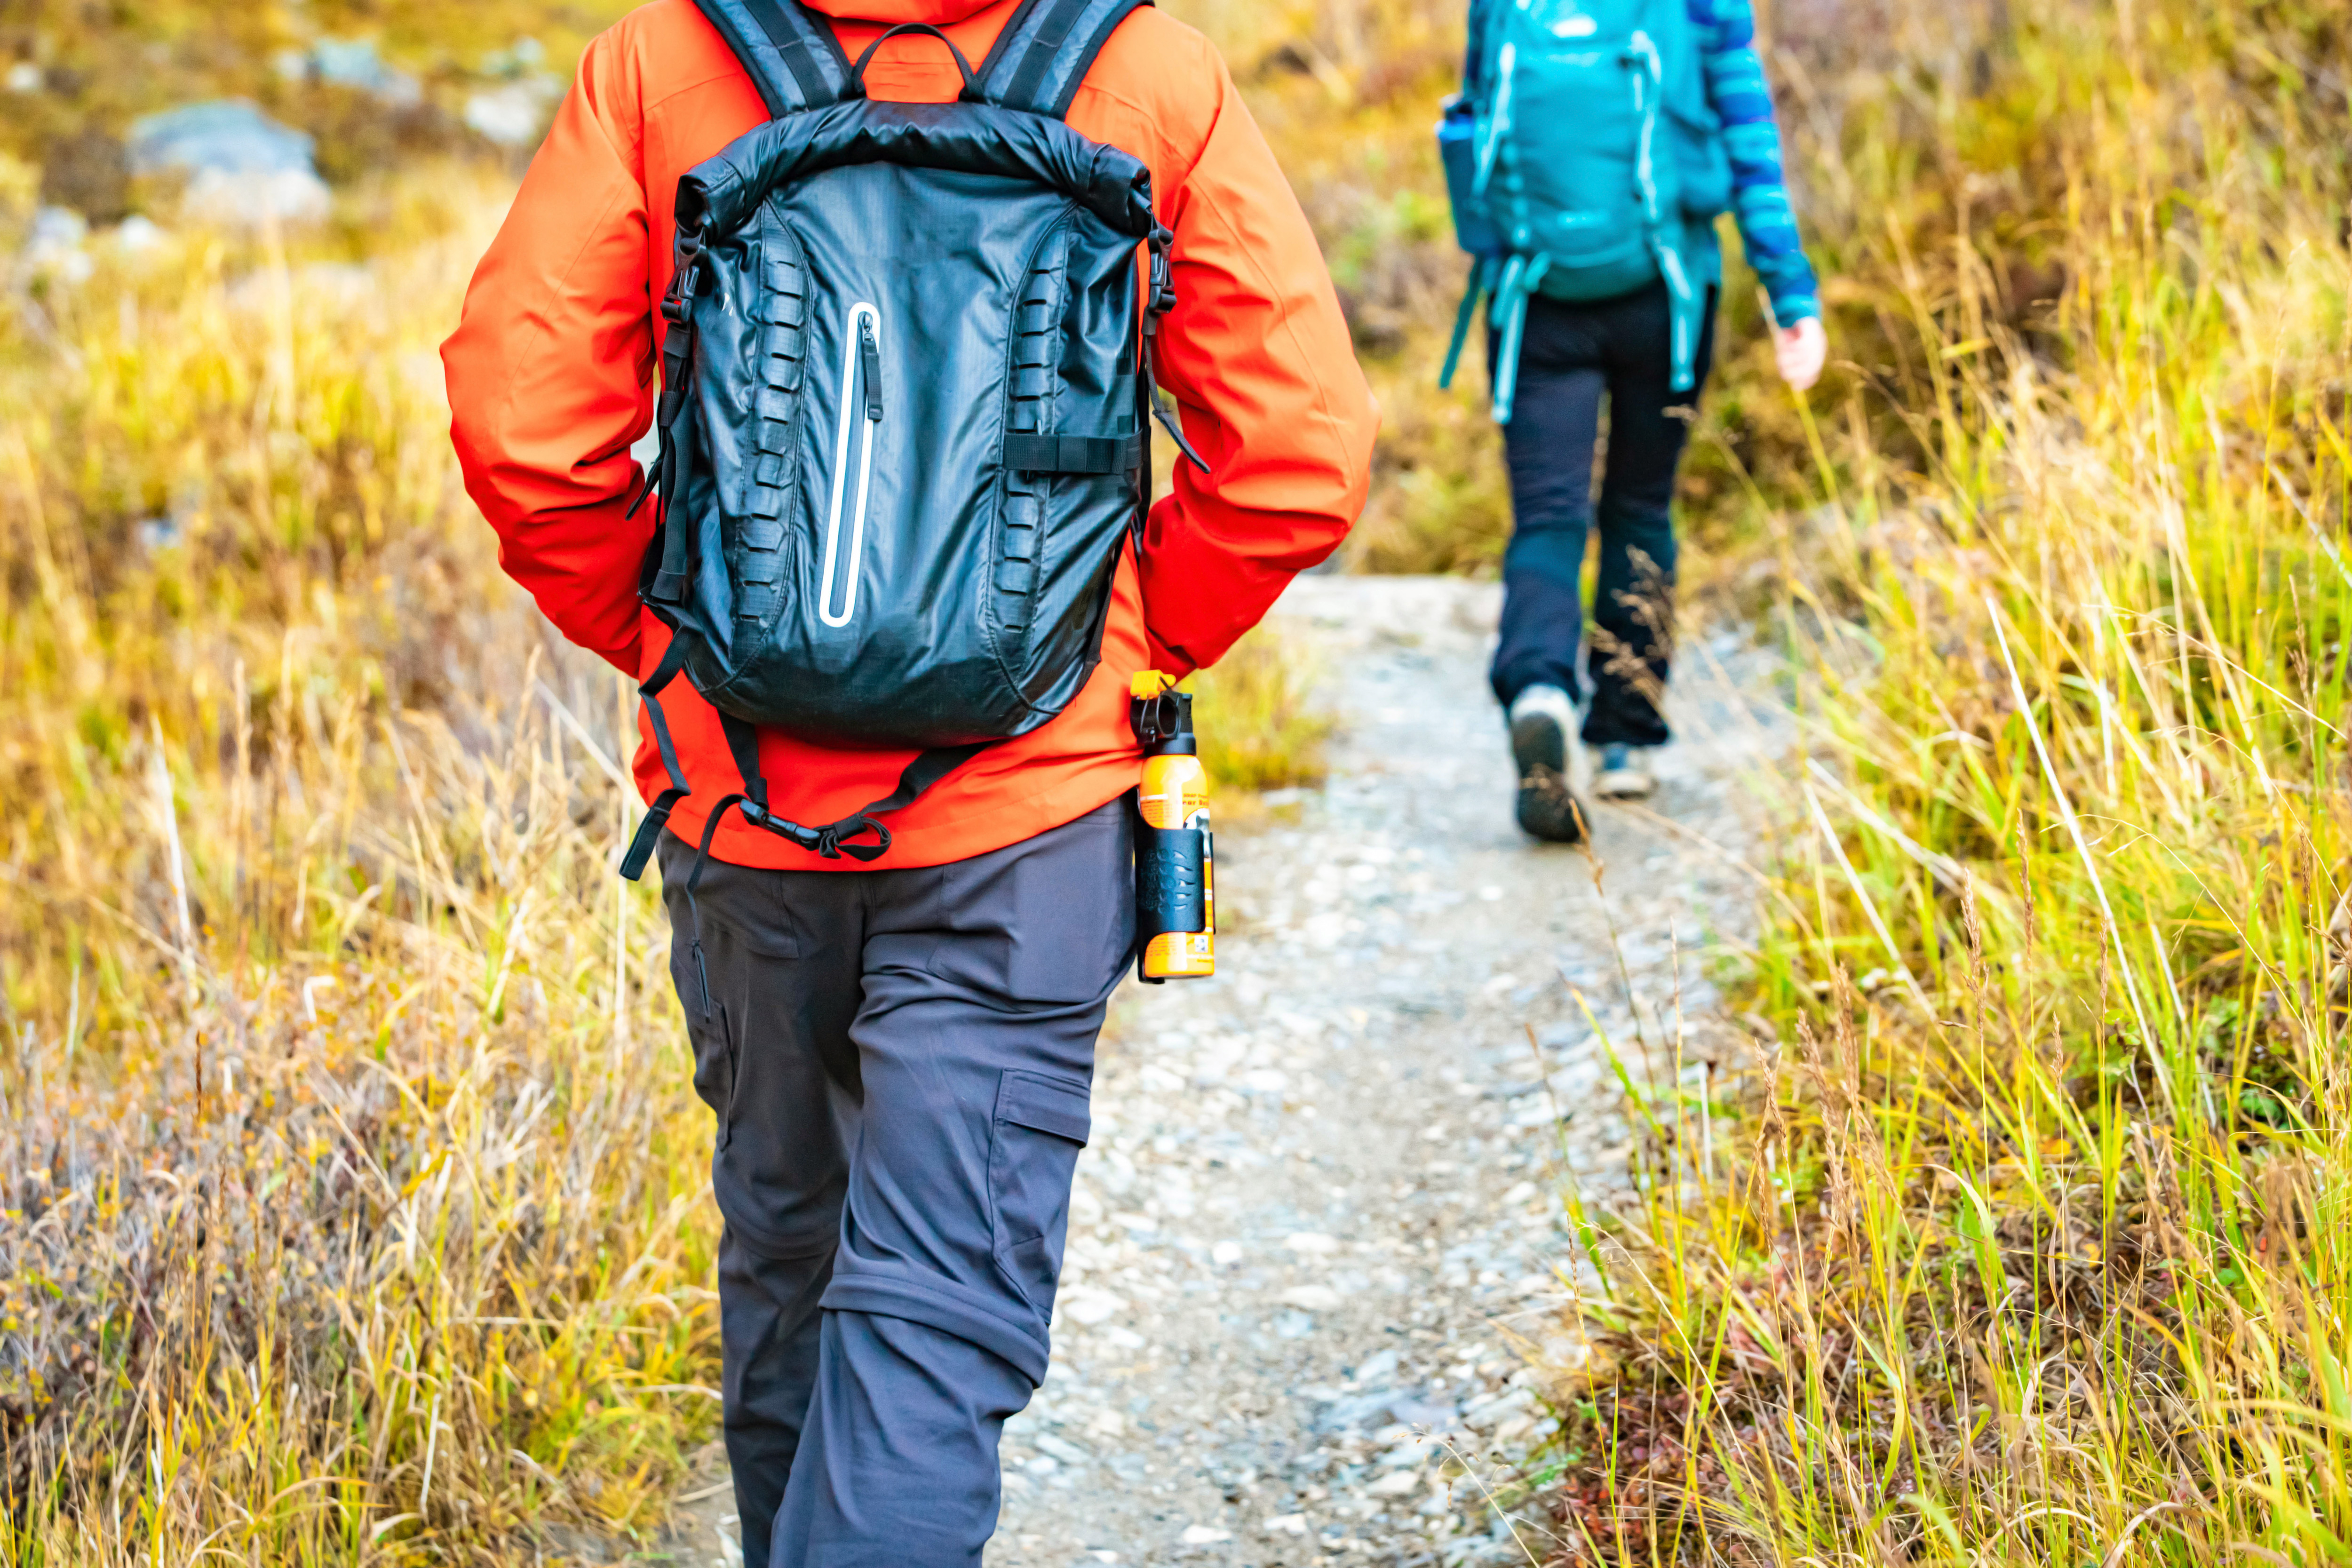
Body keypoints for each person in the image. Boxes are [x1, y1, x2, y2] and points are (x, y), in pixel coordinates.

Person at [439, 2, 1376, 1563]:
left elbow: (522, 431)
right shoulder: (1144, 71)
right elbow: (1299, 454)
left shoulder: (662, 63)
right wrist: (1112, 642)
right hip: (1029, 830)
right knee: (932, 1320)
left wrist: (683, 653)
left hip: (744, 815)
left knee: (791, 1267)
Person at [1467, 0, 1826, 838]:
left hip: (1535, 297)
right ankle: (1625, 737)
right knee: (1640, 506)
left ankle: (1539, 686)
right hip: (1666, 294)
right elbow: (1747, 130)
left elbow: (1476, 124)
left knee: (1548, 516)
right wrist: (1790, 288)